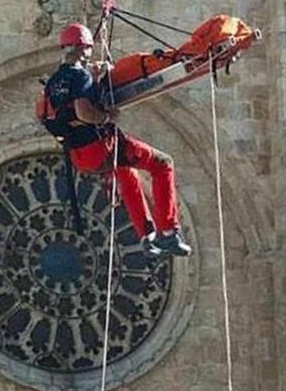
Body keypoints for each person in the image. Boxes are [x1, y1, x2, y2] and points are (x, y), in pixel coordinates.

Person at [42, 22, 191, 257]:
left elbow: (54, 111)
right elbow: (83, 112)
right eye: (89, 49)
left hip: (78, 156)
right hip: (100, 148)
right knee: (163, 164)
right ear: (83, 48)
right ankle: (169, 233)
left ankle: (147, 235)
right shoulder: (79, 76)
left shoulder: (53, 82)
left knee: (127, 173)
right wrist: (106, 116)